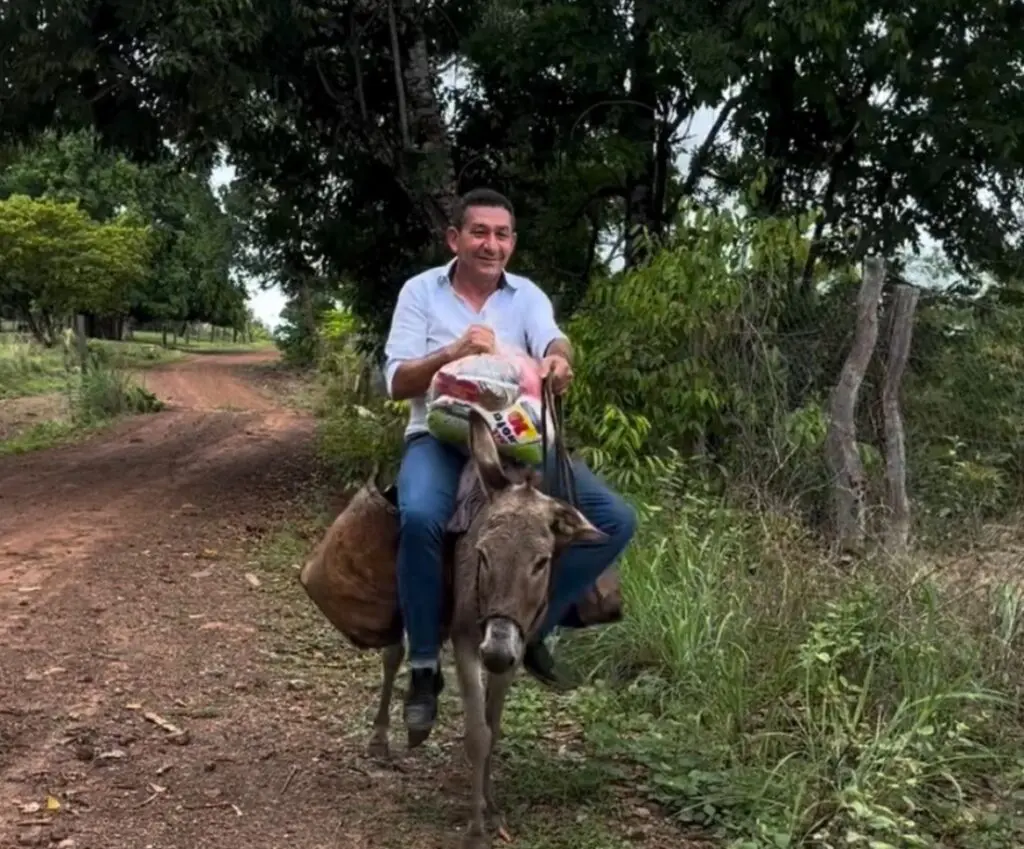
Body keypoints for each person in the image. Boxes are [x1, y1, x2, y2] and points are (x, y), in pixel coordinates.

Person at [383, 187, 637, 738]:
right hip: (440, 436)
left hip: (517, 444)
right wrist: (451, 354)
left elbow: (556, 340)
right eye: (479, 232)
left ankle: (535, 628)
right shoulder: (420, 292)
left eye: (501, 235)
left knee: (615, 520)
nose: (490, 244)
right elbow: (397, 381)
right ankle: (424, 665)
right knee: (421, 517)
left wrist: (558, 362)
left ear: (512, 243)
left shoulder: (526, 298)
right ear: (455, 238)